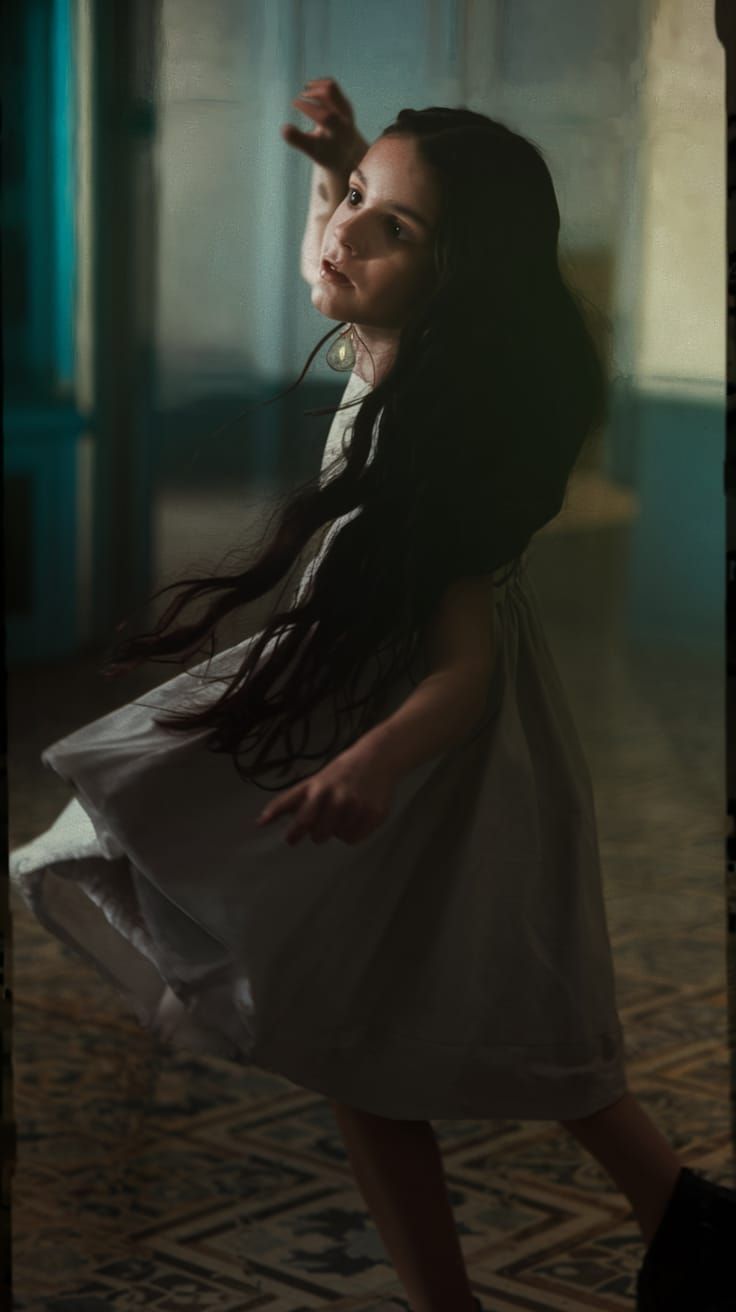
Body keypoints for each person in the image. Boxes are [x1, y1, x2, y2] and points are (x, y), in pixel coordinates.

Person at [9, 76, 734, 1312]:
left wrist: (377, 761)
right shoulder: (386, 340)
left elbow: (463, 673)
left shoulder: (432, 440)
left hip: (421, 752)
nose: (339, 231)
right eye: (352, 204)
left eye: (387, 226)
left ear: (456, 280)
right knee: (364, 1031)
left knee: (491, 1012)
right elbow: (324, 255)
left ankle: (683, 1220)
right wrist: (339, 168)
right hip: (347, 705)